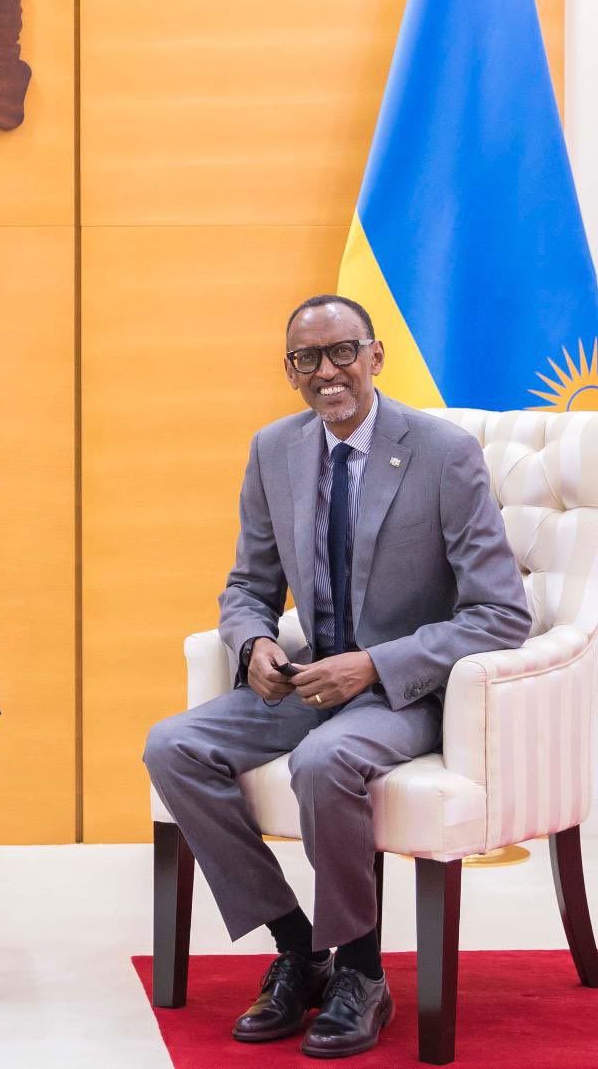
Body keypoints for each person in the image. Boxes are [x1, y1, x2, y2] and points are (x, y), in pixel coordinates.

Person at [143, 294, 530, 1059]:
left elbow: (500, 612)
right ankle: (298, 946)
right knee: (172, 746)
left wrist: (376, 663)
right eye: (307, 358)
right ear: (291, 370)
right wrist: (254, 641)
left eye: (343, 351)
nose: (327, 371)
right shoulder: (273, 449)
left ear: (375, 355)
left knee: (323, 762)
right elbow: (248, 585)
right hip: (305, 680)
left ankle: (361, 972)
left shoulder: (443, 452)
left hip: (402, 690)